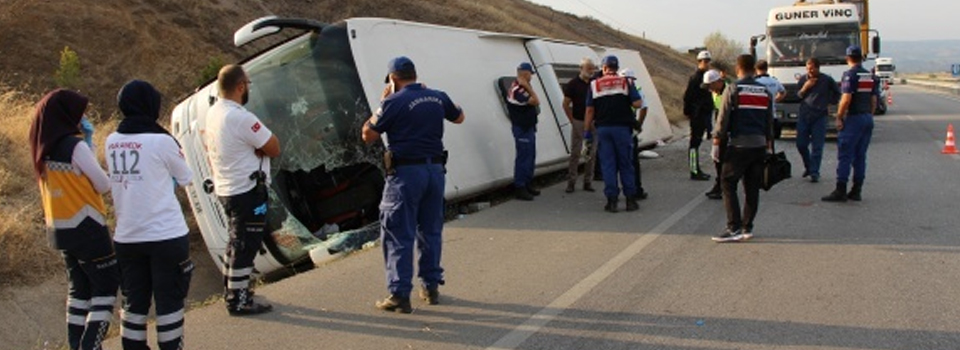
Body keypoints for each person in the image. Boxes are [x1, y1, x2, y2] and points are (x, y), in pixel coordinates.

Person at [362, 56, 465, 313]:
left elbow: (368, 135)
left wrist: (382, 103)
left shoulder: (392, 102)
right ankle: (430, 287)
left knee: (398, 232)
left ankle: (399, 294)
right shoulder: (437, 96)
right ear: (415, 75)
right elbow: (460, 116)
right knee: (430, 230)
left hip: (406, 175)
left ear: (393, 79)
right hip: (435, 172)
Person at [107, 80, 194, 350]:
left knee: (134, 304)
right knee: (169, 302)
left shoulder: (112, 141)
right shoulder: (161, 141)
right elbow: (186, 177)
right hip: (166, 234)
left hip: (127, 237)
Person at [29, 89, 119, 350]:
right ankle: (90, 345)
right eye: (80, 113)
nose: (83, 118)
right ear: (66, 114)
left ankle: (75, 344)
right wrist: (89, 146)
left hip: (61, 229)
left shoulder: (42, 151)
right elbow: (102, 184)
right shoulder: (74, 145)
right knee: (105, 288)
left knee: (79, 291)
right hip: (88, 226)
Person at [202, 64, 281, 316]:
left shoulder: (214, 113)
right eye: (248, 84)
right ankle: (238, 300)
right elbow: (273, 147)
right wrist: (258, 148)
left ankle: (235, 290)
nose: (248, 88)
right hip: (245, 190)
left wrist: (256, 147)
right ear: (240, 87)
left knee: (235, 242)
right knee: (245, 245)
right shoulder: (241, 117)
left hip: (227, 189)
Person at [711, 54, 774, 243]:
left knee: (727, 182)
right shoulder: (764, 91)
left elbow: (723, 118)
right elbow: (769, 120)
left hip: (739, 144)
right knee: (752, 186)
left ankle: (733, 227)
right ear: (753, 68)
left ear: (738, 68)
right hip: (760, 145)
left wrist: (716, 140)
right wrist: (769, 143)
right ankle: (747, 226)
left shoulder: (734, 88)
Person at [584, 55, 643, 213]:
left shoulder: (594, 84)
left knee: (608, 166)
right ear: (617, 68)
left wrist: (586, 133)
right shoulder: (626, 82)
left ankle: (612, 202)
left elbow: (589, 110)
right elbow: (638, 103)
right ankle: (630, 201)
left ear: (604, 68)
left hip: (603, 129)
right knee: (626, 164)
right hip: (623, 129)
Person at [822, 46, 878, 202]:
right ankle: (856, 190)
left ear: (848, 58)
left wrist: (839, 116)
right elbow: (874, 100)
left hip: (854, 118)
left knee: (845, 155)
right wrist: (869, 115)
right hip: (867, 117)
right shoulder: (870, 76)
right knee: (860, 156)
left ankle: (840, 190)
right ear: (862, 58)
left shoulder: (850, 75)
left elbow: (846, 98)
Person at [796, 57, 840, 183]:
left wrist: (829, 102)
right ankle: (809, 166)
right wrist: (805, 87)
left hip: (820, 116)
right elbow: (798, 96)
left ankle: (814, 172)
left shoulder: (826, 80)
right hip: (804, 115)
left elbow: (837, 93)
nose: (809, 71)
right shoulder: (803, 79)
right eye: (807, 69)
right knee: (801, 144)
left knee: (817, 146)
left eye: (811, 69)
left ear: (817, 68)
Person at [562, 58, 598, 193]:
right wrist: (571, 119)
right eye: (588, 68)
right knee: (575, 152)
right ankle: (571, 182)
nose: (591, 71)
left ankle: (588, 181)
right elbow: (565, 104)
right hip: (578, 120)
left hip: (593, 121)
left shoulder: (595, 84)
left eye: (593, 69)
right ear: (581, 69)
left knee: (591, 153)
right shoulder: (572, 84)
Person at [506, 62, 541, 200]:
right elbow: (536, 101)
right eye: (530, 74)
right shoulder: (517, 90)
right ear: (525, 74)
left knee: (530, 156)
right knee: (524, 157)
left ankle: (527, 183)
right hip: (522, 127)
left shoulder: (521, 87)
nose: (531, 77)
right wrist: (527, 86)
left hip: (528, 126)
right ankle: (520, 186)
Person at [683, 50, 715, 181]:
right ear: (699, 62)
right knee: (694, 143)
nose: (707, 64)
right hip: (697, 114)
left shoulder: (705, 77)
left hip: (704, 113)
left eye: (708, 62)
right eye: (705, 62)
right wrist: (689, 112)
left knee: (698, 142)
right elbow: (688, 96)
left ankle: (696, 169)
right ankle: (694, 170)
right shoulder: (696, 78)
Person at [619, 68, 650, 199]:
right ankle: (635, 190)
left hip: (617, 128)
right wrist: (639, 125)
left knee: (618, 162)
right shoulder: (635, 88)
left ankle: (617, 192)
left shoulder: (616, 89)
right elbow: (644, 107)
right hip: (630, 128)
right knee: (632, 162)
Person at [702, 69, 727, 200]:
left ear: (718, 82)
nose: (709, 89)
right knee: (717, 159)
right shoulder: (715, 92)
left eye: (710, 85)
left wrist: (719, 135)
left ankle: (722, 187)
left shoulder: (729, 92)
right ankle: (720, 186)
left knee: (722, 160)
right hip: (719, 130)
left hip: (727, 132)